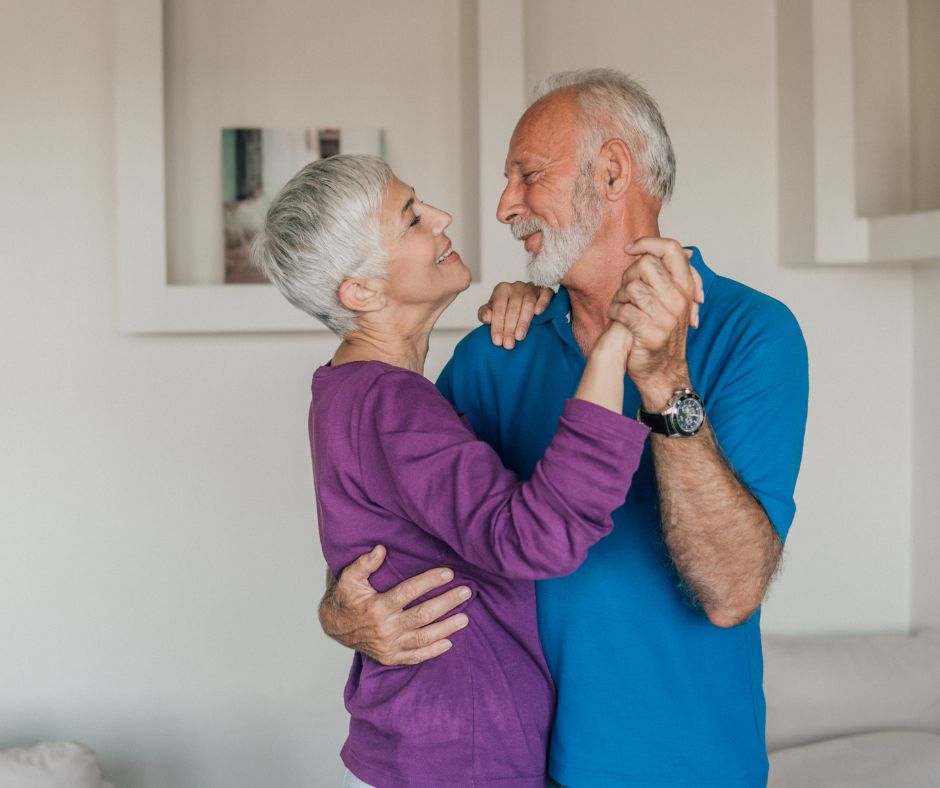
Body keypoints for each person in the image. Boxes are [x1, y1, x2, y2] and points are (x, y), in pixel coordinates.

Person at [320, 69, 809, 787]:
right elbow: (401, 527)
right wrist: (340, 613)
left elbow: (732, 591)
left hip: (685, 768)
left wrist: (666, 382)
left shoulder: (753, 333)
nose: (502, 206)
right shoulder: (493, 352)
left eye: (527, 175)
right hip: (510, 765)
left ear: (611, 172)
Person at [251, 153, 660, 786]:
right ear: (361, 292)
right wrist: (613, 346)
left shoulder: (349, 392)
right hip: (461, 750)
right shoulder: (389, 404)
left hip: (432, 737)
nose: (442, 217)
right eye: (412, 217)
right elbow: (536, 538)